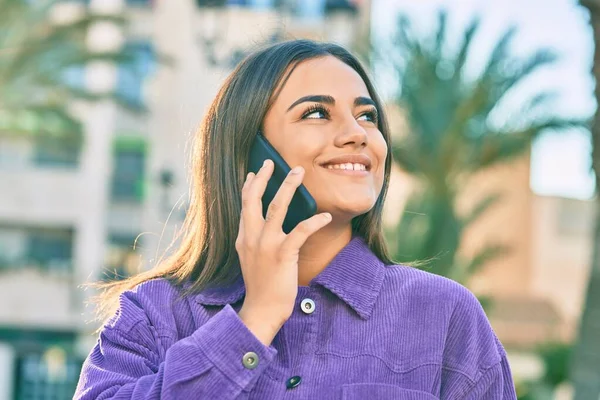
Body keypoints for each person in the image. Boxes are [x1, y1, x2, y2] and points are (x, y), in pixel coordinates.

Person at [74, 39, 517, 399]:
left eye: (368, 116)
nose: (358, 134)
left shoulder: (445, 316)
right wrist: (254, 322)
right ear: (250, 152)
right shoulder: (154, 314)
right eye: (317, 113)